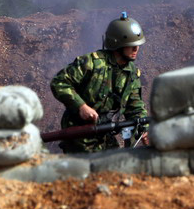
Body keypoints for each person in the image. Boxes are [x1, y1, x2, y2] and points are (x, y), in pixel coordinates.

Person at [50, 12, 148, 153]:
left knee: (116, 165)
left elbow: (135, 107)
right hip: (79, 135)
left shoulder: (131, 73)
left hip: (105, 133)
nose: (136, 49)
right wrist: (81, 107)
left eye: (137, 45)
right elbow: (59, 82)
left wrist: (143, 129)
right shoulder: (91, 63)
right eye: (131, 45)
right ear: (117, 44)